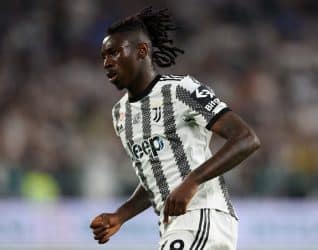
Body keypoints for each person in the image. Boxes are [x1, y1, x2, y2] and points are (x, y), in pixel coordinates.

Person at [90, 7, 260, 250]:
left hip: (203, 215)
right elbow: (156, 177)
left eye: (115, 53)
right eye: (104, 56)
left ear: (142, 50)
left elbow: (246, 138)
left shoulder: (181, 90)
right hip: (173, 225)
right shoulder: (121, 114)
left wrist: (192, 181)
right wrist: (121, 215)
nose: (107, 62)